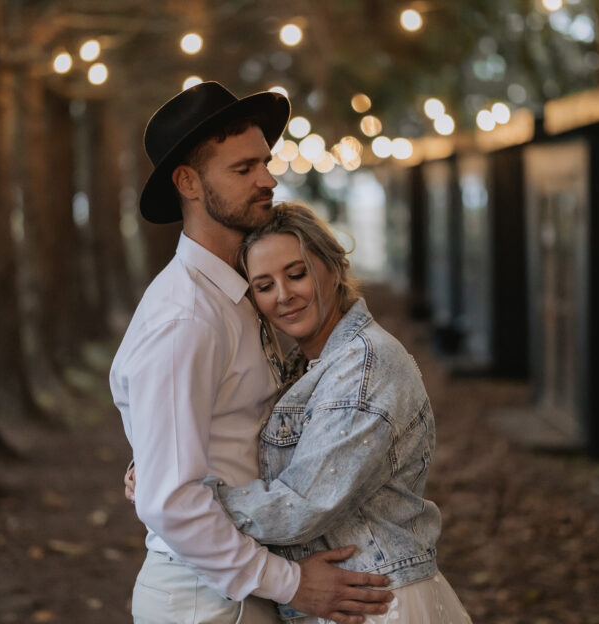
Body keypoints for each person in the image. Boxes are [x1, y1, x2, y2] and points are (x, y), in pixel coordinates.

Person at [109, 82, 393, 624]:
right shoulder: (185, 317)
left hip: (234, 581)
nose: (268, 180)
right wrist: (292, 585)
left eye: (265, 162)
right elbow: (170, 501)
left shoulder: (237, 291)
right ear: (188, 182)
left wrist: (157, 456)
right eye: (243, 170)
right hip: (207, 598)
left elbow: (205, 436)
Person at [202, 203, 475, 623]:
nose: (283, 295)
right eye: (264, 285)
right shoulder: (303, 366)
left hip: (380, 603)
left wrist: (193, 496)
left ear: (332, 266)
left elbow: (303, 504)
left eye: (296, 274)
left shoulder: (364, 366)